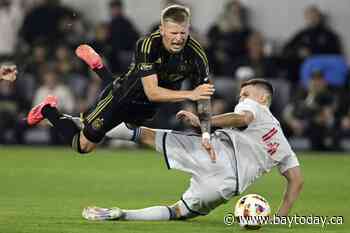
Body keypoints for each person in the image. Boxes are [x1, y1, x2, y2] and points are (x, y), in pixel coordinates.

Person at [82, 79, 303, 221]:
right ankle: (123, 215)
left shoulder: (255, 107)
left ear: (263, 98)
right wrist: (281, 216)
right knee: (178, 212)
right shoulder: (283, 143)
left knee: (145, 135)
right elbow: (296, 180)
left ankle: (82, 123)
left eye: (245, 94)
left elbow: (242, 117)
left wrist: (204, 122)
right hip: (227, 185)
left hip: (216, 153)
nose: (241, 98)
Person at [26, 5, 214, 156]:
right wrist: (190, 94)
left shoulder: (197, 55)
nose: (179, 39)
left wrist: (205, 134)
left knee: (124, 123)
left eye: (183, 33)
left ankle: (98, 67)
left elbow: (204, 98)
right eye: (174, 33)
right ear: (162, 29)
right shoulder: (147, 44)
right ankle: (47, 109)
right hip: (121, 100)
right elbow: (152, 91)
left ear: (188, 29)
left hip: (147, 110)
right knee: (83, 146)